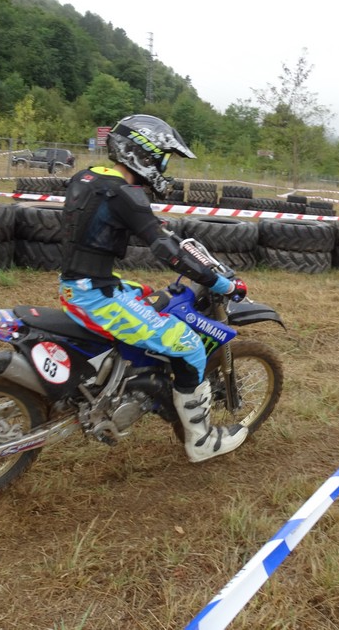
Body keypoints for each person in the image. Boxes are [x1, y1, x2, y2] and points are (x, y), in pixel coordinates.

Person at [58, 114, 249, 463]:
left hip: (78, 285)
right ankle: (201, 441)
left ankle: (125, 380)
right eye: (162, 157)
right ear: (143, 154)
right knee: (190, 345)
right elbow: (167, 252)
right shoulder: (126, 194)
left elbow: (156, 231)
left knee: (147, 294)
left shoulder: (86, 178)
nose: (163, 166)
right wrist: (218, 281)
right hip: (96, 299)